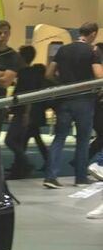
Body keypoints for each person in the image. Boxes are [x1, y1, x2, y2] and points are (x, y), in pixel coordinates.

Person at [43, 21, 103, 189]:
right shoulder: (93, 50)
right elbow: (99, 75)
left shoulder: (63, 49)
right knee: (83, 140)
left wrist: (61, 84)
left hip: (64, 99)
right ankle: (80, 178)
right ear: (93, 34)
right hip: (84, 100)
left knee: (59, 138)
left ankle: (50, 177)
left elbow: (48, 74)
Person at [4, 45, 49, 179]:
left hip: (23, 111)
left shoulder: (25, 73)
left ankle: (26, 164)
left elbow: (27, 95)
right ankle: (19, 167)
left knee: (10, 140)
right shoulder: (33, 73)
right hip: (29, 112)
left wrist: (25, 113)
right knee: (22, 140)